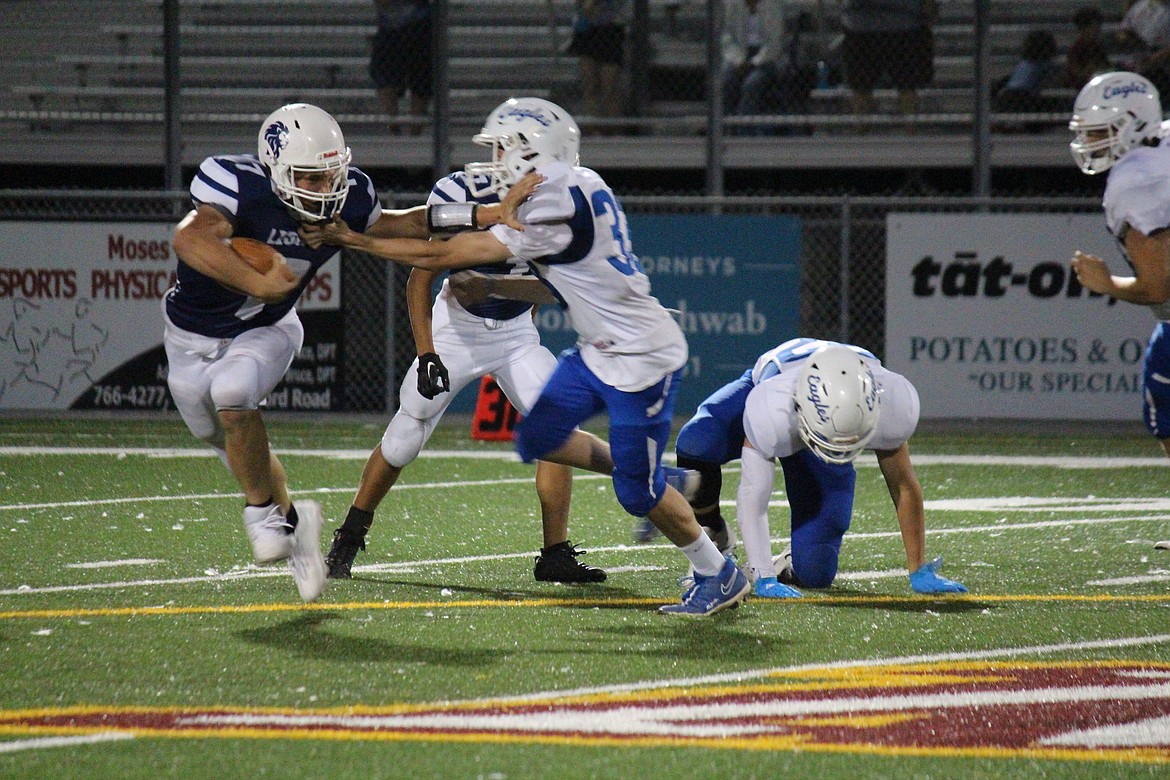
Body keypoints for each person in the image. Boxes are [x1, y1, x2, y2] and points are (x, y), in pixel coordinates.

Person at [303, 97, 752, 616]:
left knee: (576, 451)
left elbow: (444, 255)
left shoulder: (549, 204)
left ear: (529, 153)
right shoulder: (572, 186)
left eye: (500, 149)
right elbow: (428, 245)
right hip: (465, 331)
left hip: (544, 338)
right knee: (416, 433)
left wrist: (355, 240)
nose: (493, 160)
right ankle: (352, 533)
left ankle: (621, 534)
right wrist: (426, 347)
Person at [165, 103, 529, 603]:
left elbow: (407, 224)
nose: (326, 189)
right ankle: (294, 524)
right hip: (191, 339)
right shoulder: (235, 183)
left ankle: (262, 517)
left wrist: (487, 213)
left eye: (332, 175)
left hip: (268, 330)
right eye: (311, 179)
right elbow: (188, 239)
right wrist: (258, 281)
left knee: (233, 394)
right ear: (275, 169)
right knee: (223, 435)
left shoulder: (351, 197)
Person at [322, 158, 606, 585]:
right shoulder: (463, 197)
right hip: (455, 329)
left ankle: (555, 553)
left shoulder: (562, 207)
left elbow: (557, 290)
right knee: (405, 436)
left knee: (556, 423)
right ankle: (349, 535)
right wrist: (426, 353)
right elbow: (421, 278)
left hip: (514, 334)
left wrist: (498, 290)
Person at [659, 338, 968, 597]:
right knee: (698, 442)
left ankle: (792, 559)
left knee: (816, 572)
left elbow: (902, 483)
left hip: (827, 405)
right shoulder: (771, 408)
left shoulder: (892, 404)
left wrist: (918, 568)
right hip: (781, 381)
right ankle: (714, 537)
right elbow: (754, 493)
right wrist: (761, 573)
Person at [1068, 71, 1170, 551]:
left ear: (1131, 124)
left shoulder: (1136, 179)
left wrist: (1106, 283)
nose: (1088, 141)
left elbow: (1157, 286)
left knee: (1164, 399)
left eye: (1098, 130)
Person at [840, 0, 936, 120]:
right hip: (903, 25)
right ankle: (911, 130)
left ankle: (861, 130)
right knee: (907, 87)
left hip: (864, 25)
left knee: (861, 88)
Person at [370, 0, 432, 133]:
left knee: (420, 80)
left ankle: (415, 130)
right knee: (385, 78)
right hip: (390, 28)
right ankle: (393, 127)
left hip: (419, 26)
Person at [565, 0, 628, 122]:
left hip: (611, 30)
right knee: (590, 84)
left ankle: (613, 127)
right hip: (587, 30)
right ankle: (594, 126)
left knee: (609, 86)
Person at [1065, 6, 1112, 89]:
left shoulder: (1098, 47)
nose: (1098, 29)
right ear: (1084, 28)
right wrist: (1088, 71)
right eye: (1093, 26)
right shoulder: (1076, 48)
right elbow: (1075, 73)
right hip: (1083, 87)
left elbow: (1105, 67)